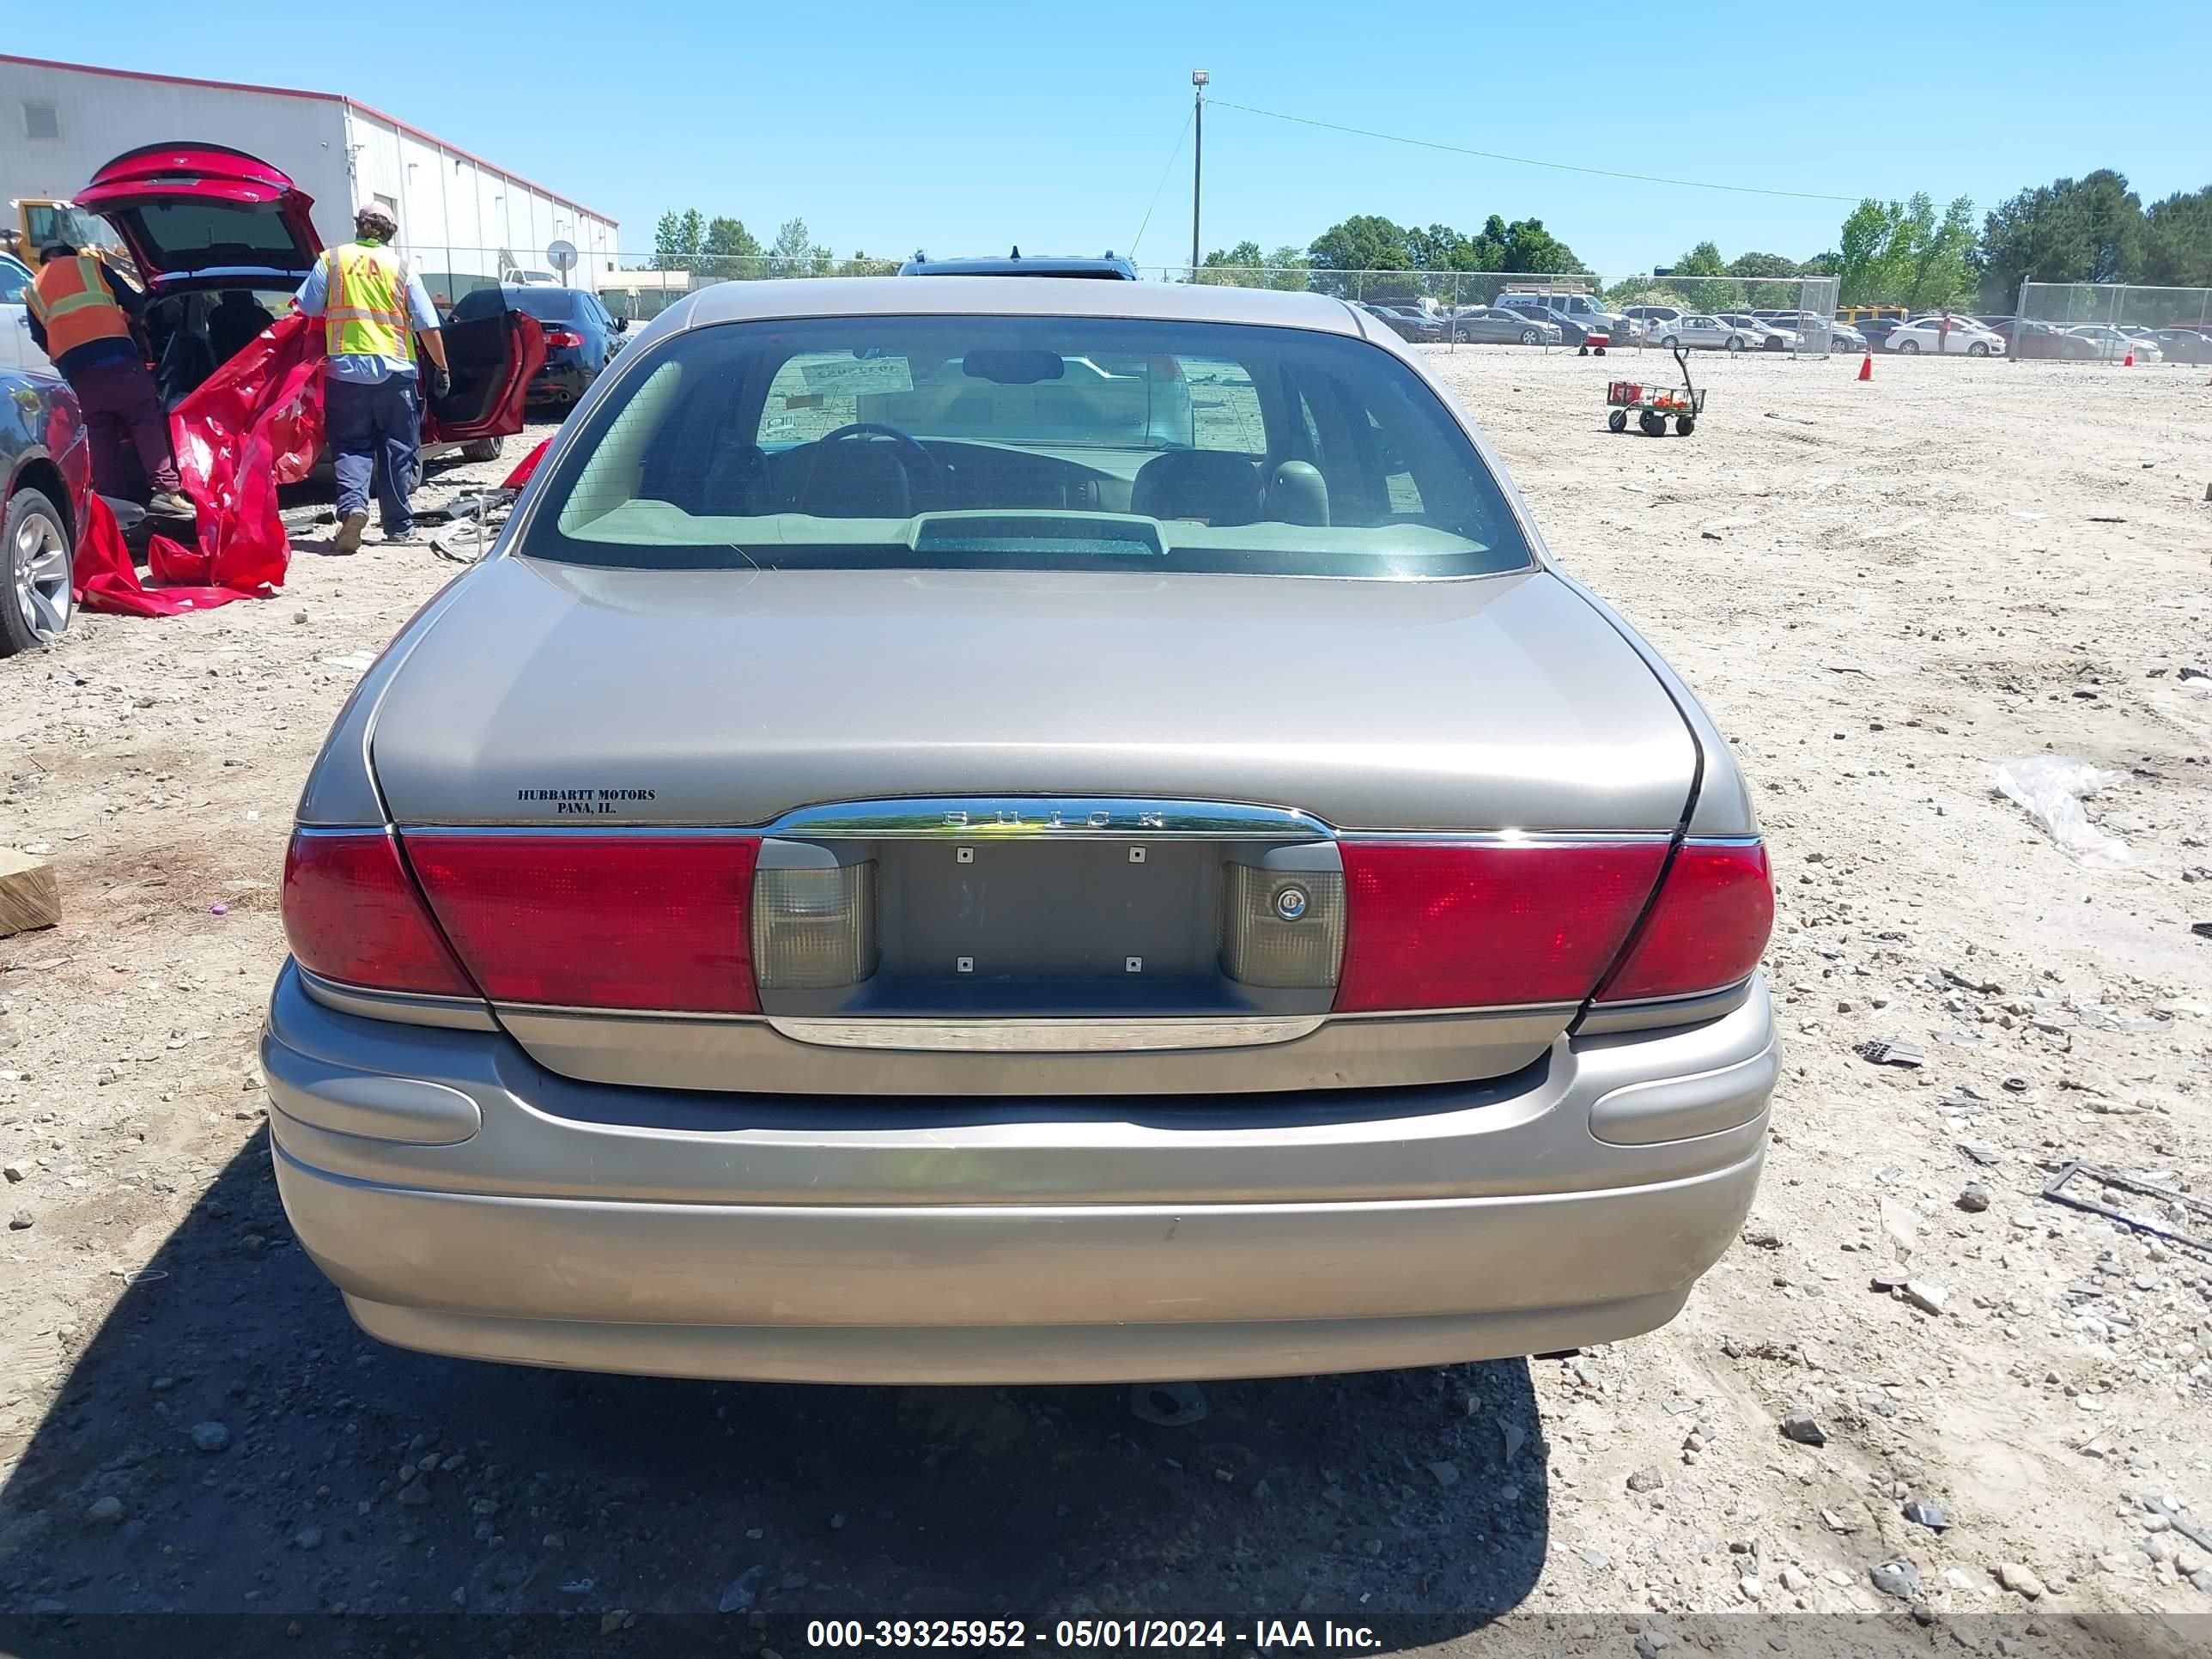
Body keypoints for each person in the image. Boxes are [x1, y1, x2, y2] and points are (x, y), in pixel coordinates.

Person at [293, 205, 450, 552]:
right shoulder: (404, 268)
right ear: (391, 231)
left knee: (351, 445)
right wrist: (442, 367)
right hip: (395, 373)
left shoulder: (332, 260)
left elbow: (306, 308)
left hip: (345, 372)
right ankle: (399, 527)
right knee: (397, 448)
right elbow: (427, 324)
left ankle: (353, 508)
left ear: (359, 227)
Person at [23, 243, 193, 517]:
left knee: (99, 432)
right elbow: (136, 304)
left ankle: (112, 506)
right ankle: (165, 492)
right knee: (144, 417)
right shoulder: (90, 267)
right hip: (119, 360)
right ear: (72, 254)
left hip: (79, 374)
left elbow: (39, 336)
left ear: (43, 261)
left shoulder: (33, 289)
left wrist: (66, 355)